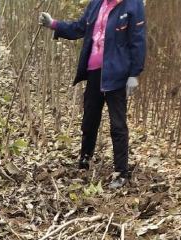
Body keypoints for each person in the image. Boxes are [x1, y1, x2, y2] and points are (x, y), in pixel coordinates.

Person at [39, 0, 146, 189]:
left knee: (118, 124)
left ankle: (121, 172)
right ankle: (84, 160)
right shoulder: (97, 4)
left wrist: (134, 74)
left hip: (117, 74)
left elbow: (138, 40)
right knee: (89, 119)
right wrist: (54, 24)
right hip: (94, 72)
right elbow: (79, 27)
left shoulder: (133, 5)